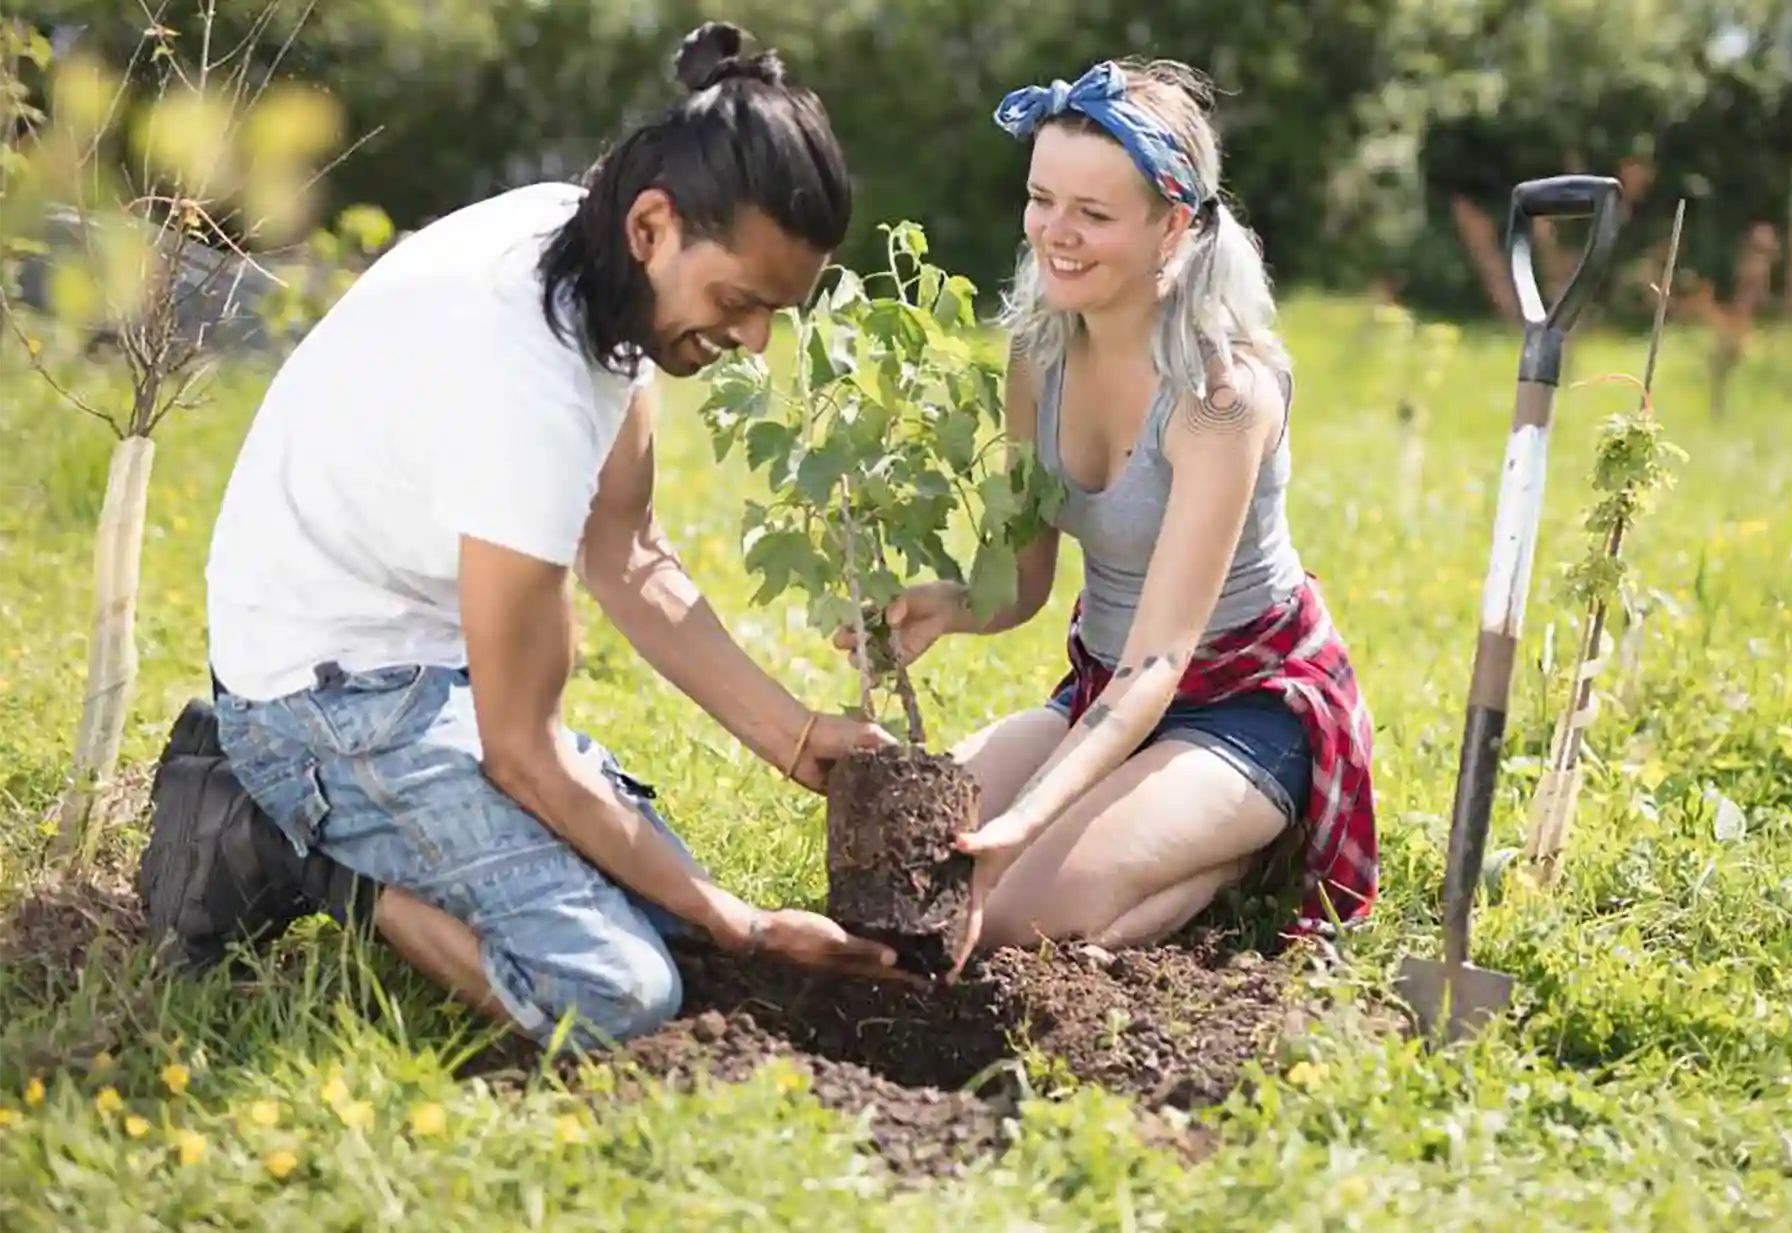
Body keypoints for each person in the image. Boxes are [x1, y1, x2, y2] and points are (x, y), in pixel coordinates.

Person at [138, 22, 909, 1051]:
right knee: (619, 993)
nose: (756, 338)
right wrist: (746, 921)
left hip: (425, 659)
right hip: (317, 698)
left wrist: (798, 736)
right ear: (653, 225)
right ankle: (286, 842)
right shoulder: (524, 383)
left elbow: (627, 551)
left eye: (777, 309)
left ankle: (350, 831)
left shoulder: (589, 254)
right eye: (739, 301)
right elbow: (524, 755)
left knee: (669, 925)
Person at [833, 59, 1379, 975]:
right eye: (1042, 200)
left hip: (1243, 701)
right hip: (1103, 694)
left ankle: (1245, 856)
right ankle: (1147, 827)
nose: (1057, 233)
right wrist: (949, 604)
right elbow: (1026, 584)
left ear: (1174, 225)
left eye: (1093, 213)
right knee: (909, 854)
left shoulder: (1220, 398)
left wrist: (1023, 827)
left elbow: (1162, 661)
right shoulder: (1036, 354)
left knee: (1012, 918)